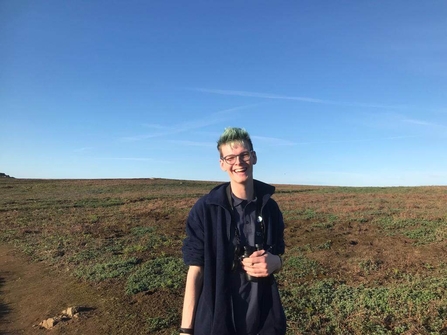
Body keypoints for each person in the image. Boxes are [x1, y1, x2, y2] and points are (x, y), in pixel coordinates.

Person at [180, 127, 286, 335]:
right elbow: (196, 271)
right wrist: (186, 330)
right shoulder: (205, 210)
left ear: (253, 157)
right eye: (230, 158)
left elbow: (277, 255)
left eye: (244, 155)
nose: (238, 163)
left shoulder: (270, 208)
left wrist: (277, 263)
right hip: (217, 321)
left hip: (263, 322)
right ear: (222, 164)